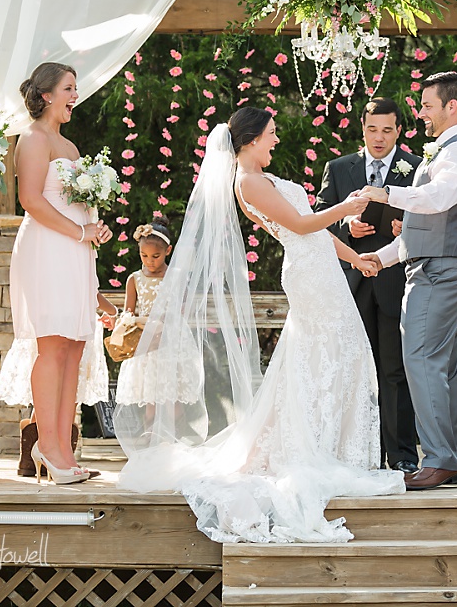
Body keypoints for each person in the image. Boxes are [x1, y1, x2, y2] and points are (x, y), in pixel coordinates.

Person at [114, 107, 405, 542]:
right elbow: (301, 225)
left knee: (338, 354)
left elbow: (316, 232)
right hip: (309, 276)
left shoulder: (262, 178)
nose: (276, 140)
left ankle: (333, 446)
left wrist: (354, 257)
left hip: (323, 268)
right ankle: (317, 447)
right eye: (271, 133)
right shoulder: (247, 183)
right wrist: (346, 207)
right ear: (251, 140)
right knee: (324, 357)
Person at [361, 71, 457, 491]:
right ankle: (451, 462)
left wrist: (386, 193)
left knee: (420, 360)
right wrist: (380, 259)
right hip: (440, 266)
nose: (421, 114)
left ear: (452, 106)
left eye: (427, 106)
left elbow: (437, 199)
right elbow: (423, 227)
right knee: (444, 368)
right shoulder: (447, 151)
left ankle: (438, 459)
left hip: (438, 272)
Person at [0, 62, 116, 485]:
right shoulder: (32, 139)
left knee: (74, 349)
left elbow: (77, 203)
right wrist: (80, 231)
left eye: (75, 88)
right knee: (52, 347)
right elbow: (31, 199)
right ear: (46, 95)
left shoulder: (71, 147)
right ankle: (46, 444)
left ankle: (63, 450)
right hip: (47, 249)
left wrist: (94, 228)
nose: (75, 95)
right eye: (68, 88)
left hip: (76, 251)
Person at [315, 97, 422, 474]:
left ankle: (403, 454)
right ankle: (362, 453)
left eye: (387, 130)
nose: (379, 138)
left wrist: (408, 227)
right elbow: (318, 220)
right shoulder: (338, 167)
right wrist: (346, 226)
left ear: (399, 131)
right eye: (372, 129)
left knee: (396, 371)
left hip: (396, 281)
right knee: (355, 369)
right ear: (362, 128)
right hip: (351, 281)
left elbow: (432, 215)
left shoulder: (417, 168)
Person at [113, 221, 173, 405]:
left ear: (168, 251)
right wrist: (121, 324)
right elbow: (128, 313)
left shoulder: (174, 276)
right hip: (144, 339)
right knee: (149, 393)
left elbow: (181, 308)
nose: (149, 261)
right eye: (144, 255)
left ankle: (172, 422)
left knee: (170, 394)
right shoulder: (134, 279)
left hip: (169, 339)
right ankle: (149, 423)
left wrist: (163, 323)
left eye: (155, 256)